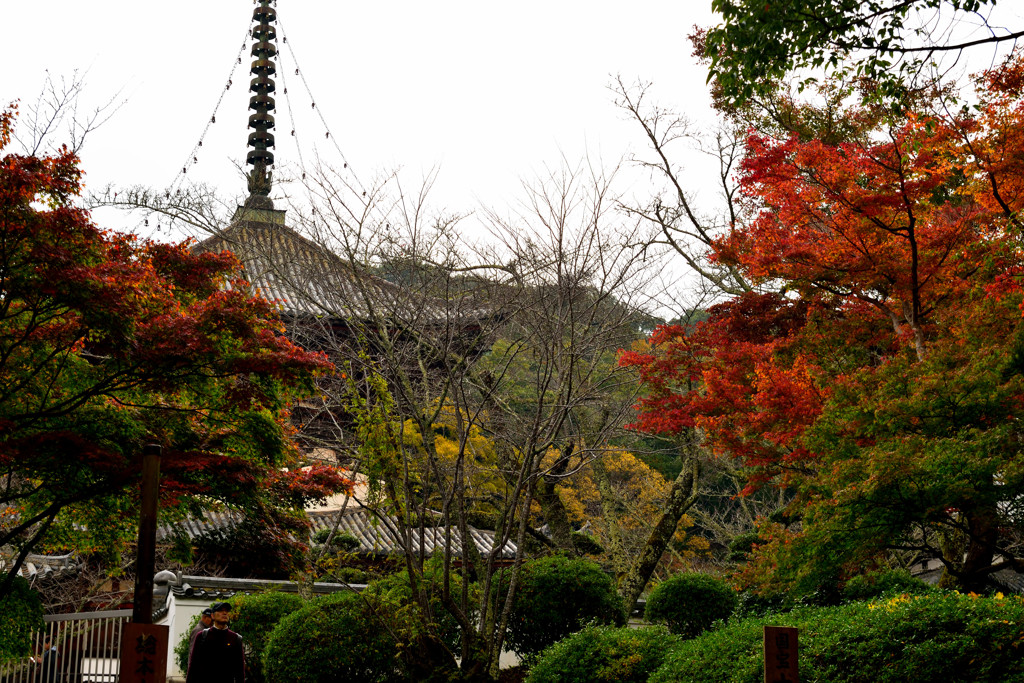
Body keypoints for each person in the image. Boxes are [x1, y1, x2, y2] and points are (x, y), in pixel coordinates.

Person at [185, 602, 244, 683]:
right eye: (220, 610)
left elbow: (239, 670)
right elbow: (193, 667)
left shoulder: (235, 638)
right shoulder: (202, 636)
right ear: (212, 615)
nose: (224, 613)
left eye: (227, 611)